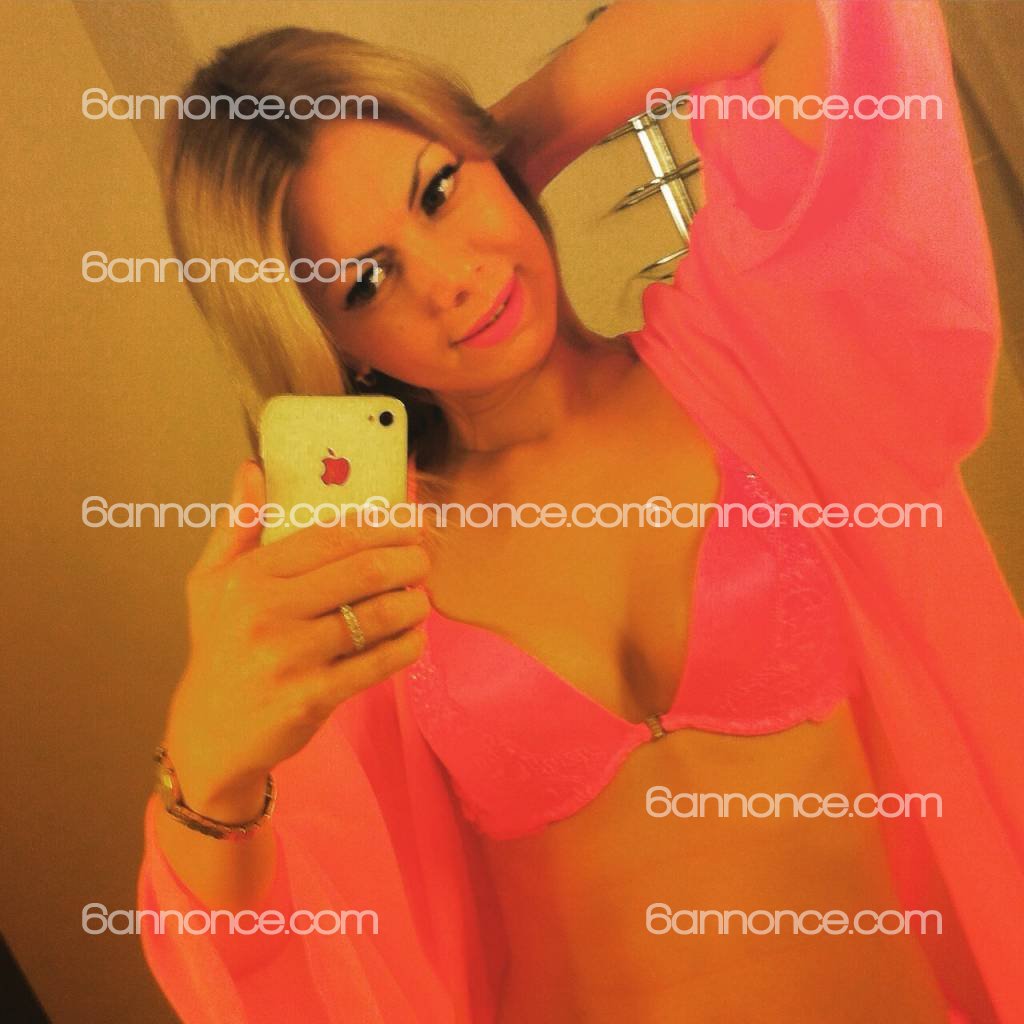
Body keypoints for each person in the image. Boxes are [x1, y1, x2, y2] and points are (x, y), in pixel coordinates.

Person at [137, 1, 1024, 1021]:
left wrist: (512, 141)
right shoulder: (362, 568)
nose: (453, 280)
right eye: (367, 279)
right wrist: (207, 765)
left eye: (437, 191)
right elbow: (265, 956)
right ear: (325, 336)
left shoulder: (755, 360)